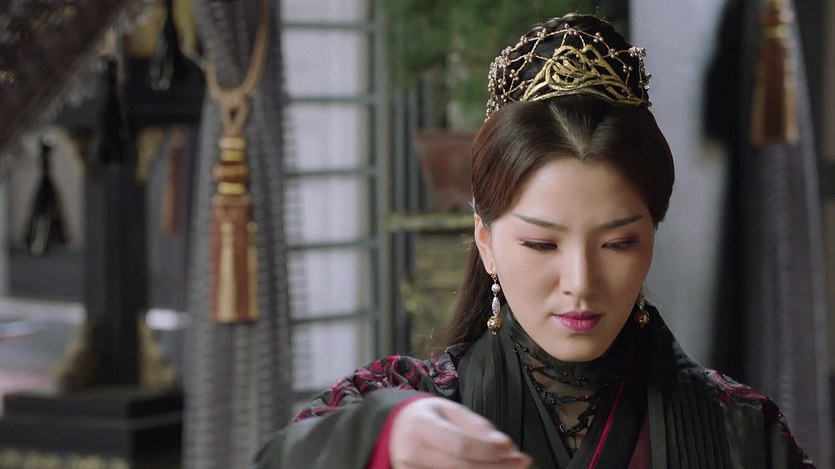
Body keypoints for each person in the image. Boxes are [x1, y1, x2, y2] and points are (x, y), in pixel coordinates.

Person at [253, 14, 814, 469]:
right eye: (542, 245)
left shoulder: (741, 431)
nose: (580, 283)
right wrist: (382, 437)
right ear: (486, 241)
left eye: (618, 243)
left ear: (651, 235)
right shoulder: (413, 411)